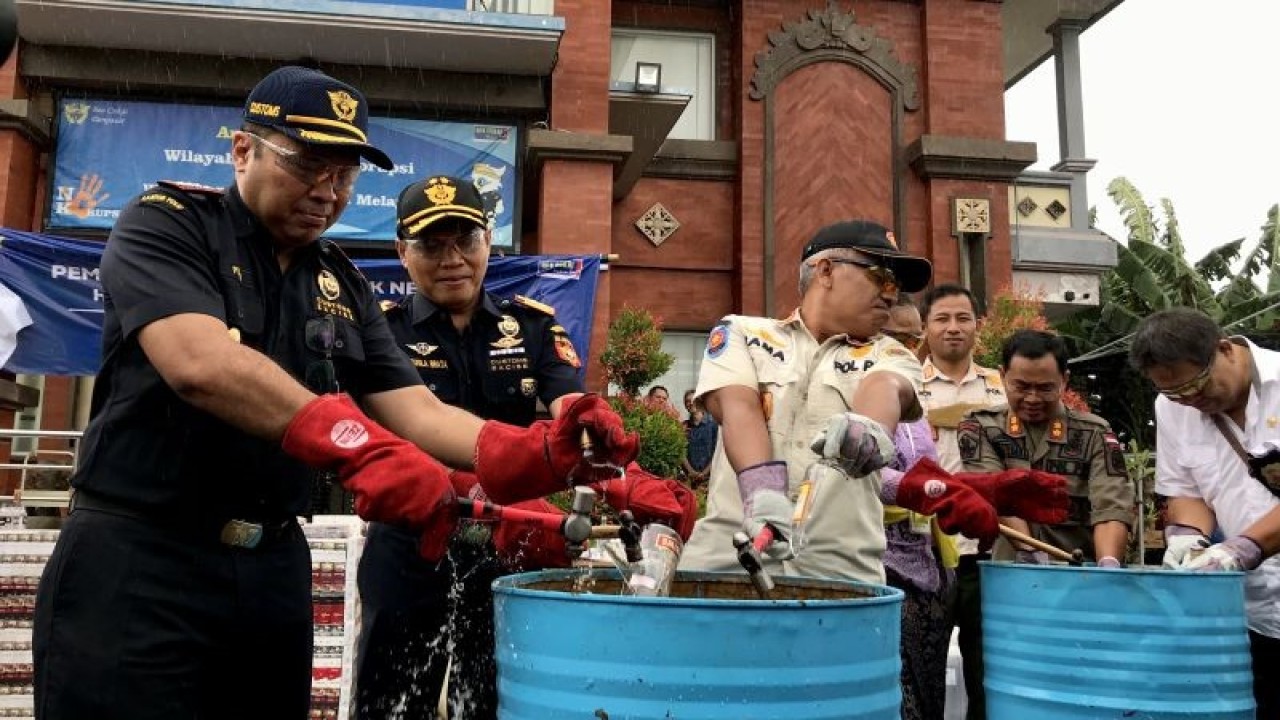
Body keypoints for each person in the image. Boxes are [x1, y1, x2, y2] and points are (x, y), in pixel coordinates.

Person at [31, 66, 637, 720]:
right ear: (243, 150)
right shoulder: (170, 225)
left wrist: (545, 450)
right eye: (309, 163)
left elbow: (418, 411)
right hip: (143, 558)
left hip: (270, 571)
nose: (329, 190)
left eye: (346, 174)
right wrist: (359, 447)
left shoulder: (340, 282)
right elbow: (199, 363)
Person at [356, 175, 695, 720]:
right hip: (409, 539)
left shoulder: (532, 326)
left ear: (489, 240)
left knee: (491, 693)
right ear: (401, 250)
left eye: (465, 240)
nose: (452, 259)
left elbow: (570, 414)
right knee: (391, 698)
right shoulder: (381, 333)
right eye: (431, 245)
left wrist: (610, 458)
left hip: (506, 542)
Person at [677, 220, 1067, 584]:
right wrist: (762, 494)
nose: (890, 292)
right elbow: (737, 407)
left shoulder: (893, 354)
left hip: (838, 570)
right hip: (729, 558)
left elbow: (885, 388)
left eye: (895, 283)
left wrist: (867, 429)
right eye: (879, 275)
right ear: (826, 271)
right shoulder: (743, 333)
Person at [1128, 307, 1280, 717]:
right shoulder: (1173, 406)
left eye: (1195, 385)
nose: (1189, 401)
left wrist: (1243, 548)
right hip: (1252, 615)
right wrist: (1188, 538)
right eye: (1174, 394)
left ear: (1224, 349)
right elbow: (1185, 489)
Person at [959, 330, 1134, 568]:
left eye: (1045, 388)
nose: (1032, 398)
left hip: (1080, 575)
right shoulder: (980, 427)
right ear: (1002, 376)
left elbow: (1111, 506)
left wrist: (1109, 564)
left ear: (1064, 381)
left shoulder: (1094, 433)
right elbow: (996, 495)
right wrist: (1031, 553)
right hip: (1014, 572)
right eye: (1021, 387)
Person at [915, 283, 1006, 720]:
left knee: (986, 669)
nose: (953, 328)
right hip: (923, 553)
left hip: (984, 554)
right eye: (942, 319)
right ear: (925, 327)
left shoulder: (1002, 388)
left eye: (963, 318)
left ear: (977, 326)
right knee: (920, 667)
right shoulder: (903, 384)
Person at [877, 295, 955, 720]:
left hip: (928, 562)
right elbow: (862, 472)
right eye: (894, 339)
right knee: (891, 688)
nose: (906, 352)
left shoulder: (917, 408)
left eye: (912, 340)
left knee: (928, 690)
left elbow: (932, 470)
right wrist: (917, 488)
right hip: (877, 560)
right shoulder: (850, 389)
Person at [682, 389, 718, 486]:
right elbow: (681, 452)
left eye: (694, 399)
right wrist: (691, 472)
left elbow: (717, 452)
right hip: (690, 479)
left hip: (710, 479)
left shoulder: (713, 425)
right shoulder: (684, 426)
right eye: (687, 401)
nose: (691, 403)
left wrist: (705, 473)